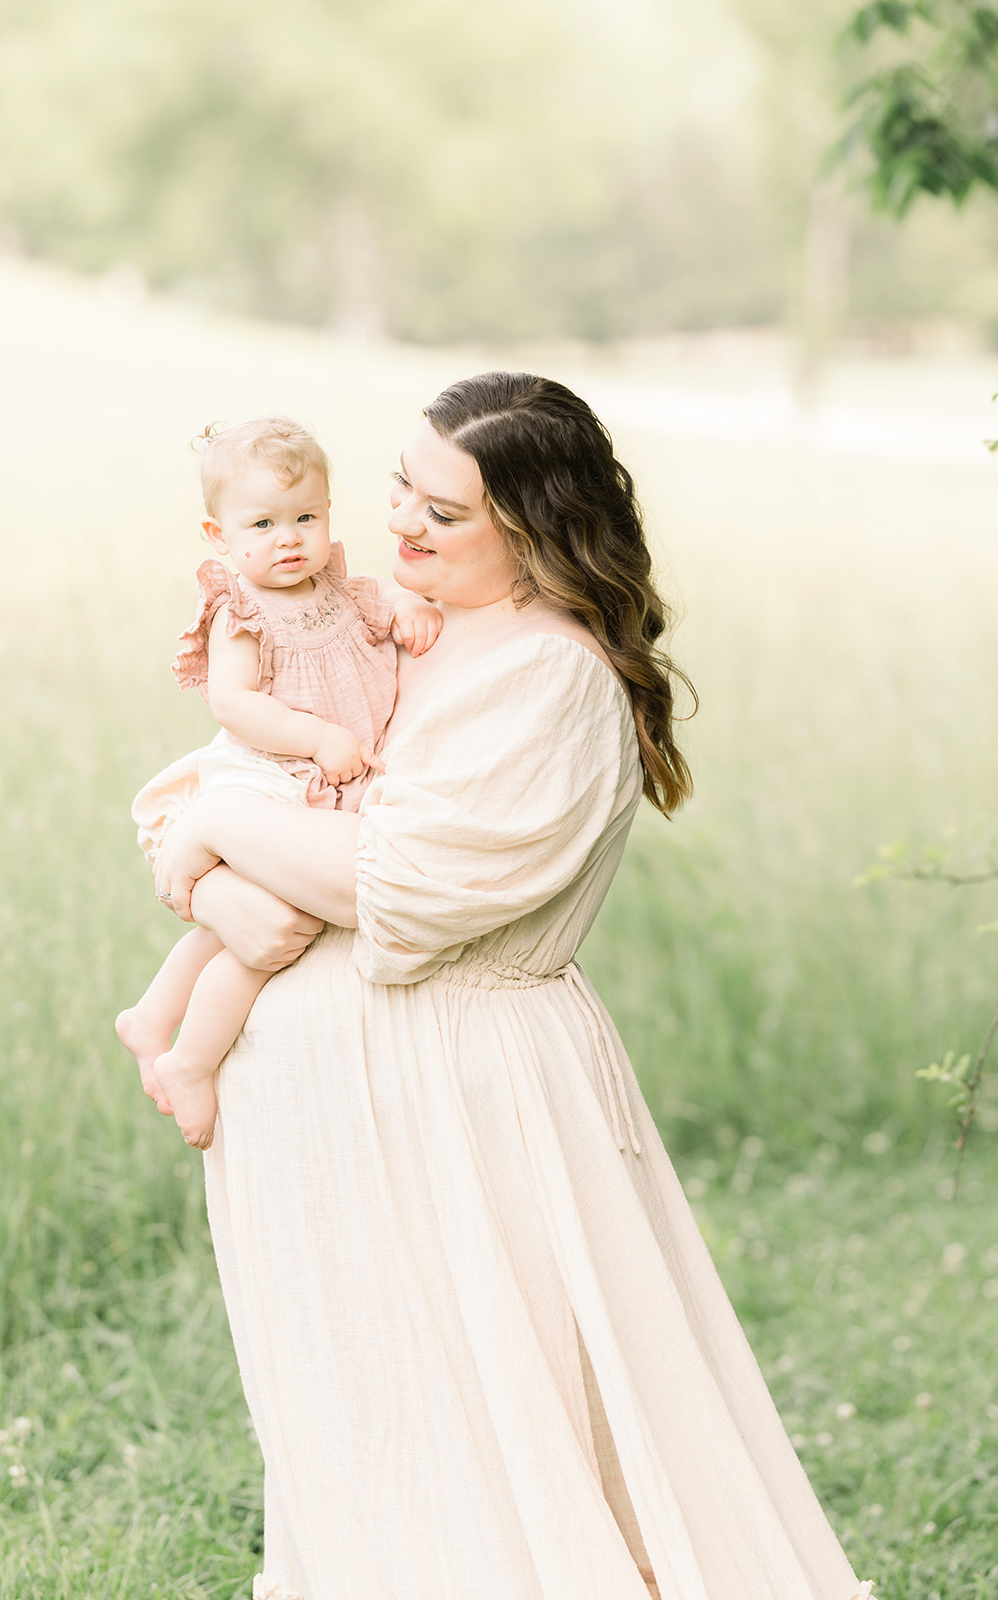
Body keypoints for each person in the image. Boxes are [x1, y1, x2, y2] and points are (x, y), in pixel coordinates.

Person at [153, 373, 874, 1600]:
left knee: (518, 1424)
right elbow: (199, 791)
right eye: (400, 488)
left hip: (463, 1098)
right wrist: (210, 879)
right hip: (325, 1112)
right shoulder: (376, 625)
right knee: (379, 1427)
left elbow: (388, 878)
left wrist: (218, 829)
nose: (401, 525)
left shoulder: (546, 675)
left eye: (446, 511)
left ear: (534, 528)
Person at [116, 417, 441, 1148]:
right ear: (218, 534)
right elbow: (234, 704)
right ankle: (191, 1061)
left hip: (318, 777)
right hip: (268, 773)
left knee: (250, 926)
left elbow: (382, 604)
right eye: (262, 523)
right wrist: (318, 737)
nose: (289, 538)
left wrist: (409, 607)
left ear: (329, 514)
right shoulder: (242, 611)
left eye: (305, 517)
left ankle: (150, 1014)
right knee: (267, 933)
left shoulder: (340, 586)